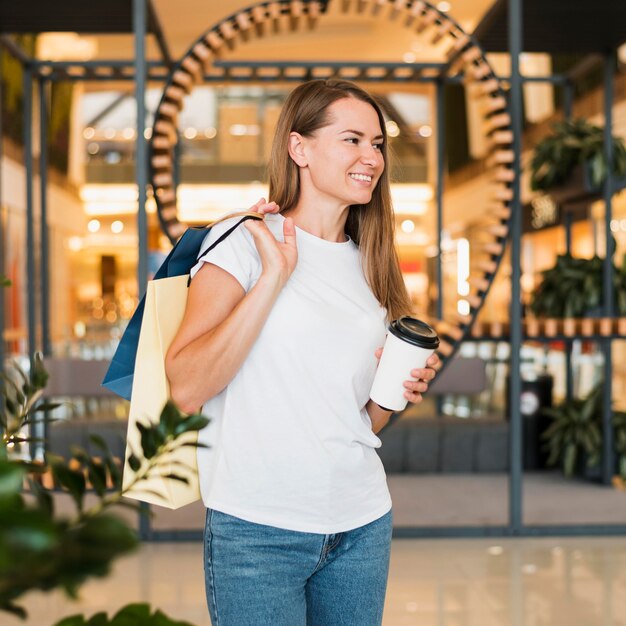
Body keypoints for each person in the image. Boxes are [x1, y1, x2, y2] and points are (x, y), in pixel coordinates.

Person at [165, 79, 440, 626]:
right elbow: (187, 387)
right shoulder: (241, 241)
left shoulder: (371, 263)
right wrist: (273, 277)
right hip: (256, 528)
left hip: (361, 522)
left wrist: (395, 392)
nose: (371, 157)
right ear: (299, 148)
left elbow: (360, 420)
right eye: (353, 140)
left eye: (378, 144)